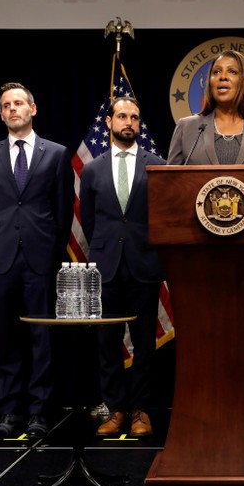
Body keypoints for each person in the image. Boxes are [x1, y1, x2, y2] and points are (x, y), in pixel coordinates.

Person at [0, 82, 75, 439]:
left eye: (19, 103)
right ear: (1, 114)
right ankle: (8, 412)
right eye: (6, 105)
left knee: (41, 338)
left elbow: (63, 213)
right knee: (5, 338)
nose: (13, 108)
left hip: (41, 257)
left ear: (34, 109)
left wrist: (50, 248)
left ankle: (38, 413)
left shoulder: (57, 154)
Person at [79, 96, 166, 437]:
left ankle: (140, 411)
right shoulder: (92, 169)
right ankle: (115, 410)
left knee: (145, 342)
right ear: (109, 123)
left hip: (144, 263)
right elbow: (88, 220)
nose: (129, 122)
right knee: (107, 342)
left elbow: (163, 215)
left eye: (134, 117)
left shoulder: (157, 164)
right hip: (106, 265)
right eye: (122, 116)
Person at [167, 49, 244, 165]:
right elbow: (169, 183)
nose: (223, 77)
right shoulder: (186, 128)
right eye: (216, 72)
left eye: (232, 71)